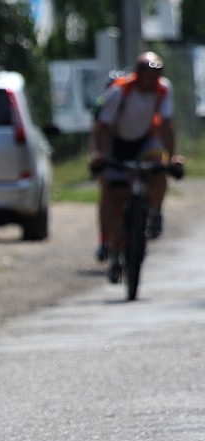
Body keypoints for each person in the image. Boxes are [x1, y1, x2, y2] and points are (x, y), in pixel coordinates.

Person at [90, 52, 184, 282]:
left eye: (156, 76)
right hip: (117, 143)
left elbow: (166, 125)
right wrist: (100, 154)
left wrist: (172, 157)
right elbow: (101, 127)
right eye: (148, 75)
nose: (152, 81)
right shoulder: (119, 91)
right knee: (113, 196)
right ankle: (113, 254)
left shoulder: (163, 90)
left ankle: (155, 212)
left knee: (159, 168)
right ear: (138, 74)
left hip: (144, 140)